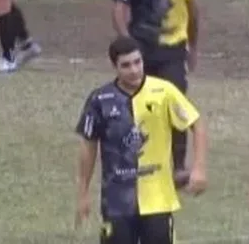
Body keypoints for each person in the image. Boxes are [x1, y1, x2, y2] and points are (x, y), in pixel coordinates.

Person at [75, 36, 208, 244]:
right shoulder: (99, 100)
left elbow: (197, 124)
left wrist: (199, 168)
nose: (134, 70)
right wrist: (83, 193)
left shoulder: (164, 92)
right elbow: (88, 146)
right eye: (126, 65)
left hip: (158, 200)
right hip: (116, 203)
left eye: (138, 62)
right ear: (114, 67)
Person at [111, 0, 199, 181]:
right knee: (134, 104)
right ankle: (131, 160)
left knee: (176, 103)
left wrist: (193, 47)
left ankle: (180, 166)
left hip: (173, 48)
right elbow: (119, 6)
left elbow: (193, 11)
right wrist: (126, 42)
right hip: (143, 48)